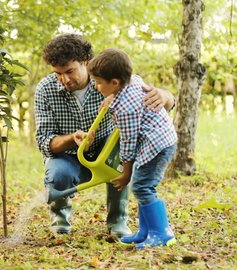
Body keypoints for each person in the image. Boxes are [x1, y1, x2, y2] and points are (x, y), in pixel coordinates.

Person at [34, 33, 175, 236]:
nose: (64, 79)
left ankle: (118, 222)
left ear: (85, 62)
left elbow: (151, 101)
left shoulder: (107, 77)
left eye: (69, 71)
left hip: (106, 150)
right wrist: (72, 138)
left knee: (121, 155)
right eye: (58, 73)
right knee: (58, 174)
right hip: (68, 156)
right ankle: (60, 221)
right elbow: (44, 141)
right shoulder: (45, 90)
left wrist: (165, 95)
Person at [85, 48, 177, 248]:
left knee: (142, 186)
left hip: (157, 145)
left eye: (99, 82)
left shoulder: (126, 109)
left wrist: (125, 174)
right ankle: (146, 231)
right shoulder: (133, 81)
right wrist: (110, 98)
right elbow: (134, 79)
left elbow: (128, 144)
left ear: (115, 83)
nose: (96, 86)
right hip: (160, 139)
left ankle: (161, 233)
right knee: (141, 186)